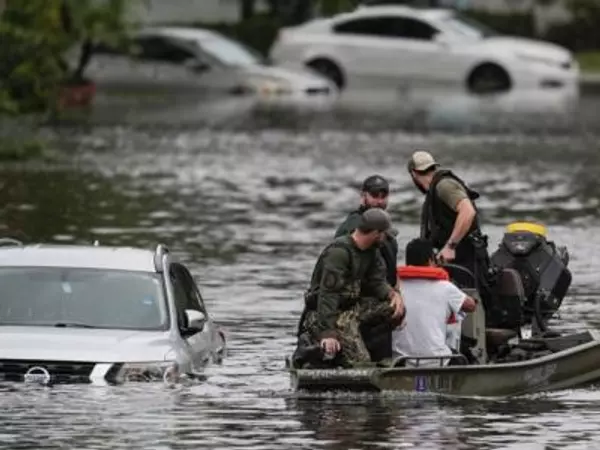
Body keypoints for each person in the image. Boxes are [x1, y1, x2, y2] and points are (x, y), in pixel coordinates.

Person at [293, 208, 406, 368]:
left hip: (352, 308)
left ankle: (368, 343)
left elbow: (376, 282)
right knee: (361, 364)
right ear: (376, 233)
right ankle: (326, 348)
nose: (386, 239)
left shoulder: (371, 252)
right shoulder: (339, 253)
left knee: (392, 307)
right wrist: (328, 333)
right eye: (384, 235)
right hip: (328, 313)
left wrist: (392, 294)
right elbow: (328, 294)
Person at [334, 175, 400, 361]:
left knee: (382, 356)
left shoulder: (383, 226)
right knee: (365, 361)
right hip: (360, 306)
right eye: (374, 196)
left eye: (383, 196)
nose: (379, 201)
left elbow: (389, 267)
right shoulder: (356, 228)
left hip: (380, 305)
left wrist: (396, 292)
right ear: (363, 196)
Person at [407, 150, 491, 289]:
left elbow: (468, 211)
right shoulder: (434, 191)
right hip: (456, 263)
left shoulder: (444, 186)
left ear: (414, 174)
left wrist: (450, 246)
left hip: (468, 262)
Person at [391, 238, 477, 367]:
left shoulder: (394, 288)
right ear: (431, 260)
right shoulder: (446, 287)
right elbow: (471, 306)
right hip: (438, 360)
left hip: (401, 361)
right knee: (465, 357)